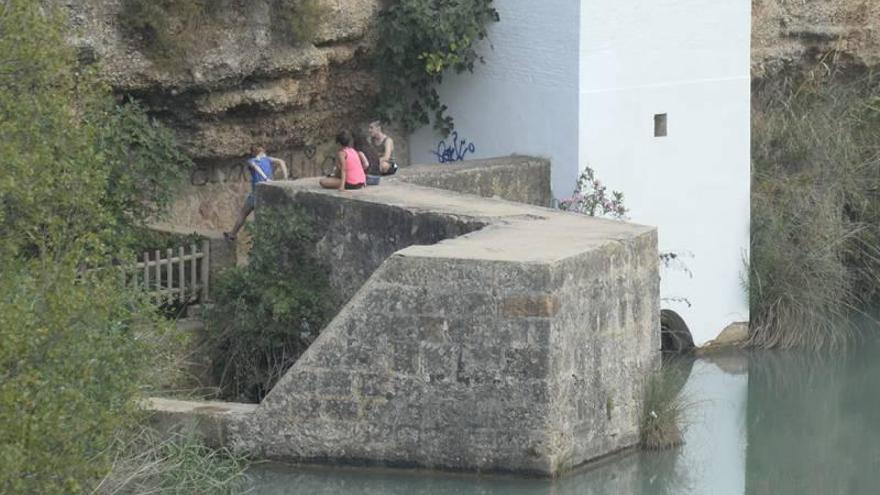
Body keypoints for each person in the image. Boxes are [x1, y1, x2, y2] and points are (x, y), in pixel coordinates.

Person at [224, 145, 288, 241]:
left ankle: (233, 234)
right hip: (268, 193)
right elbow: (282, 162)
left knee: (243, 213)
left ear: (253, 153)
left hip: (256, 194)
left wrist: (265, 179)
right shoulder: (267, 159)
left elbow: (255, 166)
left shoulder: (251, 161)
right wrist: (285, 178)